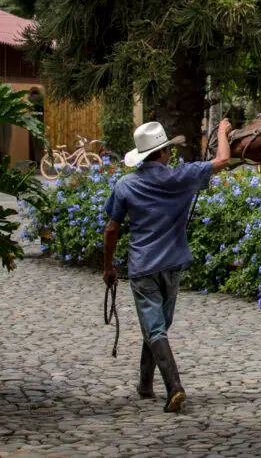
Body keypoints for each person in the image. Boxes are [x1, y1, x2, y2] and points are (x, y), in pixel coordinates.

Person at [102, 119, 232, 412]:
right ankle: (150, 385)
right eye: (167, 151)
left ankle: (171, 386)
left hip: (143, 265)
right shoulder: (182, 177)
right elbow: (223, 159)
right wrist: (222, 131)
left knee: (154, 327)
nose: (170, 155)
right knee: (158, 326)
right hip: (172, 264)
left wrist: (108, 267)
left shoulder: (125, 185)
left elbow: (111, 230)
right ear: (160, 154)